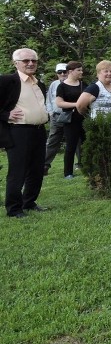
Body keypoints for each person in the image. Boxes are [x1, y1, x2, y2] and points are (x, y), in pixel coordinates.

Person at [1, 48, 49, 218]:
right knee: (17, 171)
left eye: (34, 60)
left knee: (37, 169)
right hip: (18, 132)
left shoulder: (39, 83)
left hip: (39, 131)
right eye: (26, 61)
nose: (30, 63)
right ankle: (14, 209)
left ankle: (29, 202)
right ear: (16, 63)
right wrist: (5, 115)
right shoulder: (7, 81)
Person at [54, 61, 86, 179]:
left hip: (84, 118)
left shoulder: (83, 84)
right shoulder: (62, 86)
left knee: (87, 144)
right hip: (71, 120)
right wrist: (76, 104)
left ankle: (89, 167)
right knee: (71, 146)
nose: (81, 72)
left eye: (81, 70)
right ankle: (68, 172)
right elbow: (59, 103)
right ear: (70, 71)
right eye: (79, 70)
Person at [43, 62, 71, 175]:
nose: (63, 74)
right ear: (57, 73)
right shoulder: (54, 84)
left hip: (71, 115)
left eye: (65, 71)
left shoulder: (74, 83)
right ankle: (45, 165)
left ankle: (80, 164)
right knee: (52, 141)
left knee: (76, 141)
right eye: (60, 72)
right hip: (57, 116)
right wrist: (50, 113)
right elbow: (49, 100)